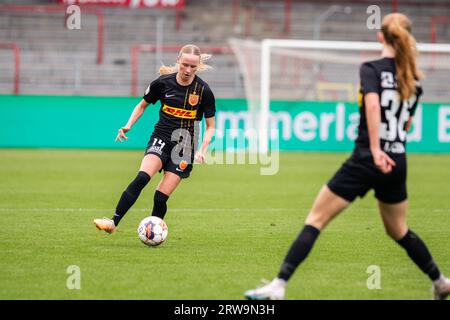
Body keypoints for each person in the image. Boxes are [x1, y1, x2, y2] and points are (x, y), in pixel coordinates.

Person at [244, 13, 450, 300]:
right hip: (397, 160)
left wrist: (376, 150)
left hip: (368, 157)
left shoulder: (371, 69)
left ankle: (278, 285)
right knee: (399, 230)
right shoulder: (413, 79)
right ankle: (440, 281)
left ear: (381, 36)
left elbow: (374, 108)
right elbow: (406, 126)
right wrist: (387, 149)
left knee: (316, 219)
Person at [93, 44, 216, 234]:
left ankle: (153, 233)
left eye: (193, 67)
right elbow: (142, 105)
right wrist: (128, 125)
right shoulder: (162, 83)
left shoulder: (203, 91)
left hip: (183, 148)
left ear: (198, 66)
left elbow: (211, 126)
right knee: (142, 177)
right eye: (185, 65)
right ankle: (112, 222)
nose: (188, 70)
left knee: (160, 197)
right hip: (161, 137)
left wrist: (202, 149)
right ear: (178, 61)